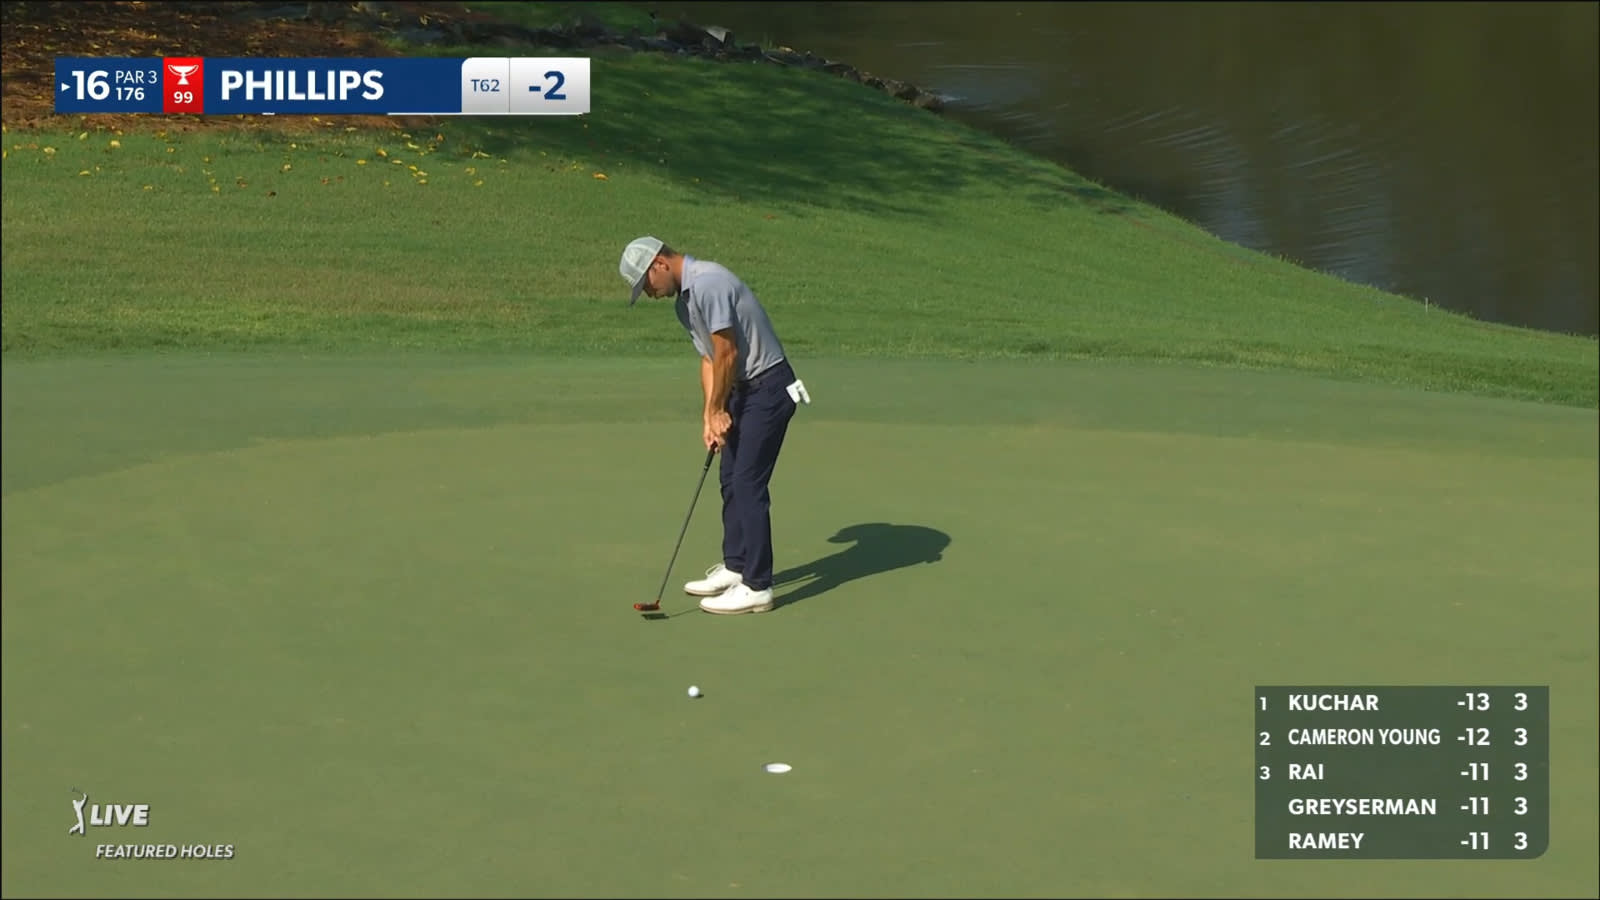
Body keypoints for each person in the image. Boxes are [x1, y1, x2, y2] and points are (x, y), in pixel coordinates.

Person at [619, 236, 805, 614]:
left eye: (646, 284)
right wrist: (709, 415)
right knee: (729, 478)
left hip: (769, 387)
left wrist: (721, 408)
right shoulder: (684, 305)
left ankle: (758, 585)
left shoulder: (708, 283)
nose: (649, 294)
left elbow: (728, 351)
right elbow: (709, 361)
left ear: (659, 263)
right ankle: (736, 567)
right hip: (741, 389)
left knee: (747, 481)